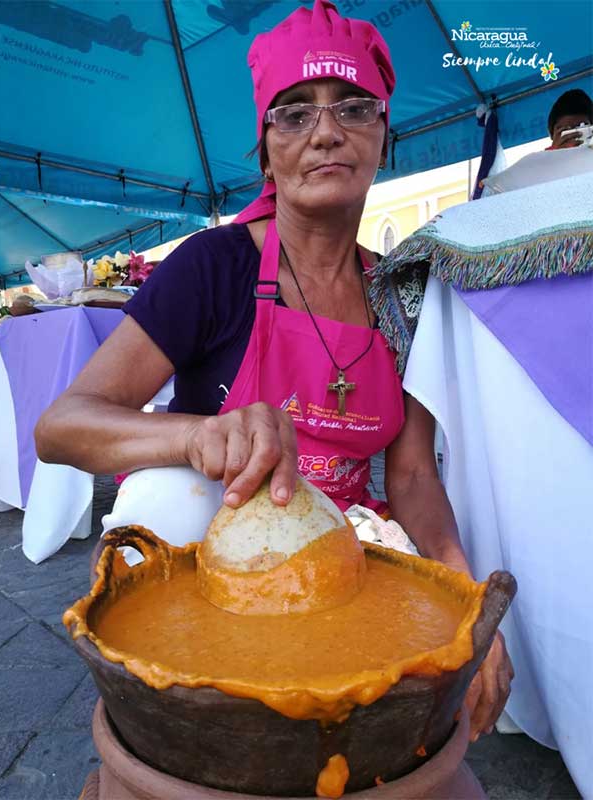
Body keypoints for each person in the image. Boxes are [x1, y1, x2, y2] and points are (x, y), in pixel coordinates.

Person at [35, 0, 511, 742]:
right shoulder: (213, 267)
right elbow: (61, 427)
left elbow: (415, 475)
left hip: (344, 546)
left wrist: (468, 598)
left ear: (383, 135)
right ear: (265, 153)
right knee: (163, 494)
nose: (325, 131)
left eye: (353, 107)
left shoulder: (404, 293)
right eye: (294, 114)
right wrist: (197, 435)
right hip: (219, 553)